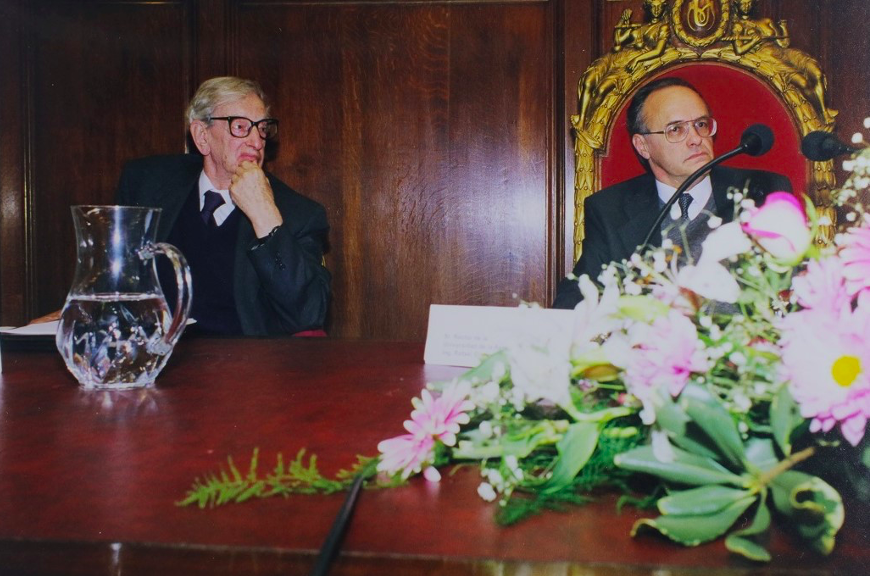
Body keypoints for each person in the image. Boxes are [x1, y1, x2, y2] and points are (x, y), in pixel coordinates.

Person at [116, 76, 330, 335]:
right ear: (201, 136)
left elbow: (309, 315)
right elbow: (115, 279)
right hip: (154, 358)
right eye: (240, 127)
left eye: (262, 128)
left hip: (243, 367)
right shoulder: (147, 184)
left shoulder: (298, 213)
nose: (257, 141)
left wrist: (265, 217)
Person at [553, 77, 791, 309]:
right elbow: (576, 298)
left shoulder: (762, 192)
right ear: (642, 146)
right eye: (676, 129)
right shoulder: (610, 210)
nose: (696, 139)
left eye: (701, 124)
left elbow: (795, 288)